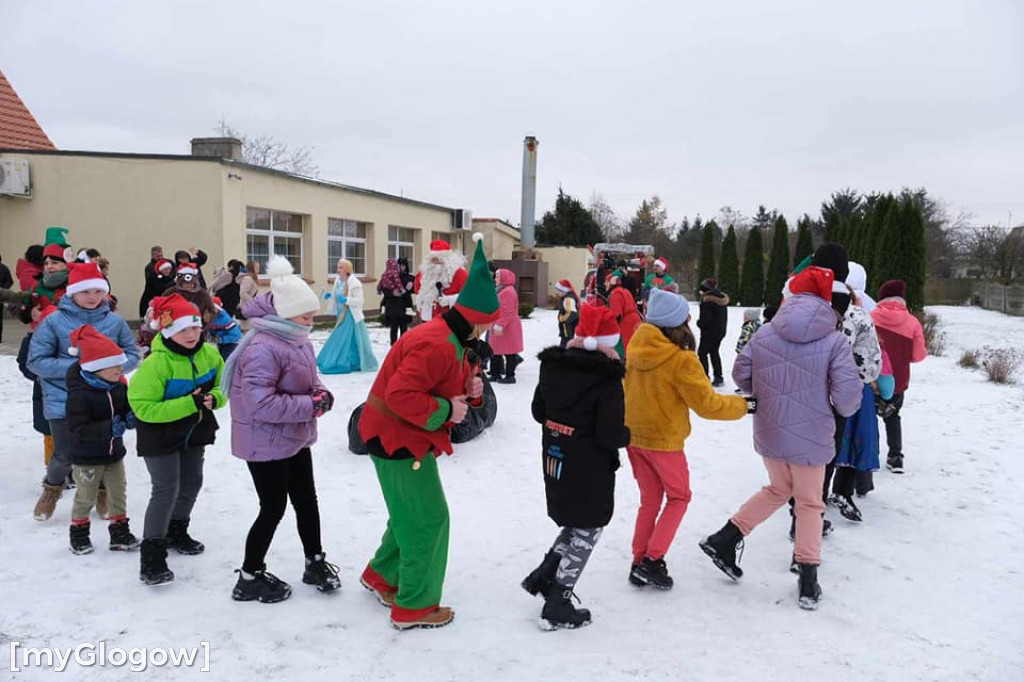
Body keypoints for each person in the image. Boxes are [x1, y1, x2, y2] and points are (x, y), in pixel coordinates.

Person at [357, 233, 499, 630]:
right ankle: (414, 607)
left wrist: (466, 393)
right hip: (395, 438)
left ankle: (381, 576)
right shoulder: (437, 342)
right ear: (478, 318)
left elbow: (438, 383)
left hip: (401, 435)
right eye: (490, 324)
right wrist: (446, 408)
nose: (490, 332)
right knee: (428, 519)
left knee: (408, 513)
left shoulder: (450, 337)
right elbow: (403, 394)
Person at [699, 266, 862, 610]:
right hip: (813, 432)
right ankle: (808, 578)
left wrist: (768, 391)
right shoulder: (834, 339)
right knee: (810, 503)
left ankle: (725, 539)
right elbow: (847, 400)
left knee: (779, 488)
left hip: (770, 426)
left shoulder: (765, 332)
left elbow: (740, 373)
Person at [222, 255, 341, 603]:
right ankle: (249, 576)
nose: (312, 318)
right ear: (283, 313)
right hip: (264, 441)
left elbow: (310, 379)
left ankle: (314, 561)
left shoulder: (296, 337)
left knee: (307, 499)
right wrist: (311, 406)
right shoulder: (262, 347)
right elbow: (260, 403)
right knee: (272, 507)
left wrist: (320, 393)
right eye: (305, 313)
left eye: (312, 312)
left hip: (293, 436)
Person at [624, 288, 750, 589]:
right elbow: (708, 405)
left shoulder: (634, 348)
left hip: (633, 437)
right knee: (679, 497)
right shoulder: (681, 359)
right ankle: (652, 561)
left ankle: (639, 560)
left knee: (649, 501)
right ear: (678, 323)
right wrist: (746, 405)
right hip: (664, 441)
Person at [524, 303, 631, 629]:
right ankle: (559, 600)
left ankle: (545, 575)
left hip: (556, 459)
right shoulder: (607, 380)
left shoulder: (554, 367)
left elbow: (538, 412)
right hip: (589, 467)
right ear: (610, 341)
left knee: (575, 520)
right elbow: (610, 434)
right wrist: (628, 434)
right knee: (589, 526)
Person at [28, 262, 141, 521]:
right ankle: (52, 489)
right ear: (72, 292)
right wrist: (82, 367)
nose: (93, 297)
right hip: (63, 399)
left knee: (106, 450)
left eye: (98, 292)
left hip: (107, 399)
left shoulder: (114, 322)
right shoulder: (54, 321)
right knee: (65, 452)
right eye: (86, 292)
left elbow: (133, 354)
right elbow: (36, 361)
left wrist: (109, 367)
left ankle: (102, 493)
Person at [128, 294, 226, 586]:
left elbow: (224, 385)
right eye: (184, 329)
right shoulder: (156, 364)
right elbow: (143, 408)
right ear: (168, 331)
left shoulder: (210, 354)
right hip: (159, 435)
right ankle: (152, 554)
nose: (192, 335)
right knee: (166, 488)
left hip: (195, 432)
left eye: (196, 328)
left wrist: (215, 398)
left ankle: (177, 530)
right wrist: (190, 403)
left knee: (192, 482)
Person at [64, 325, 140, 554]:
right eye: (113, 364)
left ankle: (119, 533)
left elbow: (126, 406)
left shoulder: (117, 387)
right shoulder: (79, 394)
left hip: (113, 454)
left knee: (118, 493)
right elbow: (78, 428)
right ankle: (79, 534)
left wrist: (130, 415)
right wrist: (109, 428)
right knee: (86, 496)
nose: (120, 368)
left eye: (120, 363)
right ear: (95, 367)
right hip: (87, 457)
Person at [870, 279, 927, 474]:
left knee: (868, 417)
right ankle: (895, 457)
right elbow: (919, 355)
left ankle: (867, 455)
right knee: (893, 416)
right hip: (898, 380)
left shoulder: (870, 317)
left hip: (872, 378)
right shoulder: (912, 322)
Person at [317, 259, 378, 374]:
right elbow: (336, 295)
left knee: (340, 338)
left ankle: (334, 362)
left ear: (347, 269)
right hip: (341, 314)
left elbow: (360, 301)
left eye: (341, 268)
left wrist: (347, 300)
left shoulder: (354, 283)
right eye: (338, 267)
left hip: (350, 315)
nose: (338, 270)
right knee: (351, 340)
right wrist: (330, 296)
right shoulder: (338, 281)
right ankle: (353, 362)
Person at [414, 239, 468, 322]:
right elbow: (418, 291)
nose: (435, 263)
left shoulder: (460, 274)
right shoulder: (423, 274)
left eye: (439, 260)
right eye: (433, 260)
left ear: (448, 260)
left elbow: (468, 296)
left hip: (450, 321)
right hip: (427, 320)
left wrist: (449, 300)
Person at [488, 268, 524, 384]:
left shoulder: (508, 291)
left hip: (507, 327)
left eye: (498, 277)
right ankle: (495, 373)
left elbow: (507, 310)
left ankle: (510, 375)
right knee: (495, 350)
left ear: (504, 278)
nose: (495, 279)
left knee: (509, 353)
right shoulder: (502, 290)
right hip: (502, 326)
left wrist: (500, 325)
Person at [696, 278, 729, 387]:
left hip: (709, 333)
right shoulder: (721, 298)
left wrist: (699, 323)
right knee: (714, 352)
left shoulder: (708, 301)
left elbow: (705, 319)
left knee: (702, 353)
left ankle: (704, 377)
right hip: (720, 331)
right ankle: (718, 377)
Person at [377, 258, 413, 346]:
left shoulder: (409, 277)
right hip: (393, 307)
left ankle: (403, 346)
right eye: (399, 265)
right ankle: (393, 347)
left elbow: (415, 289)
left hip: (404, 307)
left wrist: (410, 287)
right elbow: (384, 290)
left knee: (404, 328)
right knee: (394, 328)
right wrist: (392, 293)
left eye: (403, 266)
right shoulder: (390, 275)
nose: (401, 268)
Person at [607, 269, 642, 356]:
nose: (605, 284)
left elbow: (616, 315)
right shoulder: (624, 291)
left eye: (607, 281)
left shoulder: (615, 294)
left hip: (626, 324)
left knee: (625, 349)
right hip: (635, 321)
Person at [139, 246, 168, 317]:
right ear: (153, 255)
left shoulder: (167, 264)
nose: (160, 258)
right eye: (158, 256)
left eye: (161, 255)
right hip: (152, 295)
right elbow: (151, 281)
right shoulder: (149, 267)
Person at [554, 279, 580, 349]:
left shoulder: (568, 299)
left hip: (568, 328)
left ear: (563, 291)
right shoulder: (566, 297)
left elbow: (571, 313)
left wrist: (562, 318)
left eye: (558, 290)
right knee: (566, 342)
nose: (557, 292)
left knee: (565, 343)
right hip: (567, 328)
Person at [0, 252, 12, 343]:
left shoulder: (3, 268)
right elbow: (9, 281)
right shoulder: (4, 268)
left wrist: (3, 290)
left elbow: (9, 281)